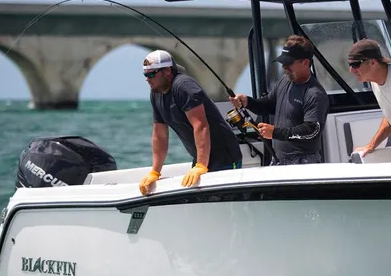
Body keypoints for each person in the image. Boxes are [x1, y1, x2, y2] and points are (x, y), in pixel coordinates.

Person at [138, 50, 242, 195]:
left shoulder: (184, 86)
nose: (147, 79)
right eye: (145, 74)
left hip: (224, 156)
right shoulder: (156, 93)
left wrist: (201, 165)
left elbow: (200, 125)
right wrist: (155, 172)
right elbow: (160, 135)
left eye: (151, 74)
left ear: (167, 71)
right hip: (201, 158)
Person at [229, 35, 329, 165]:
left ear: (305, 63)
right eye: (283, 62)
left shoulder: (315, 94)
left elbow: (312, 131)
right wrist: (248, 102)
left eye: (289, 63)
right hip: (279, 160)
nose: (284, 67)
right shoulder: (284, 80)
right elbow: (269, 105)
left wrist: (275, 133)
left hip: (304, 162)